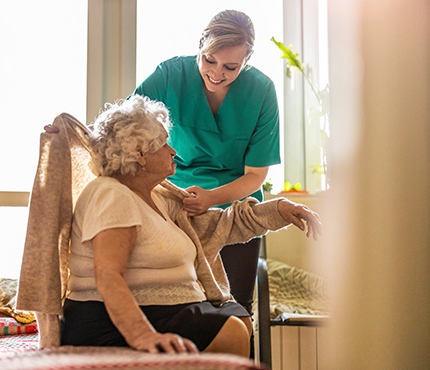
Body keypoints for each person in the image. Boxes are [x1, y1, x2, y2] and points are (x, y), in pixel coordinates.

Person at [59, 95, 321, 357]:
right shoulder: (111, 194)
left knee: (238, 320)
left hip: (165, 308)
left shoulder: (161, 198)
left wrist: (281, 210)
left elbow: (223, 224)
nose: (173, 151)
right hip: (108, 319)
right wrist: (142, 334)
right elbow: (108, 275)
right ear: (140, 155)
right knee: (231, 331)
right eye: (163, 144)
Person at [133, 9, 279, 325]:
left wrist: (212, 199)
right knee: (177, 310)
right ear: (200, 44)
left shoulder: (262, 91)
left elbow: (256, 176)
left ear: (247, 60)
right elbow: (125, 126)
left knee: (236, 311)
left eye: (231, 67)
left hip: (235, 207)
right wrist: (70, 134)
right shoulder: (171, 75)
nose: (216, 73)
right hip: (176, 202)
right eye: (209, 59)